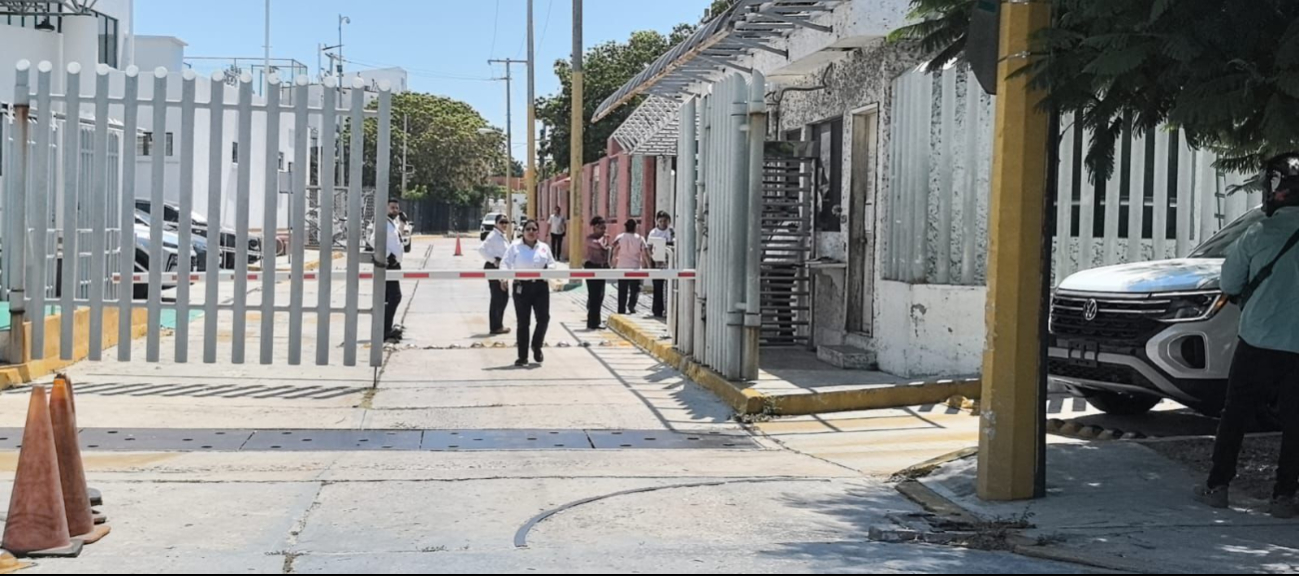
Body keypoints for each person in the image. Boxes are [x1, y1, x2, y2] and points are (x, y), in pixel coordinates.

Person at [1195, 153, 1299, 520]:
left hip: (1257, 341)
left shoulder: (1258, 233)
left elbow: (1230, 283)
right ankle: (1285, 497)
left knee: (1235, 414)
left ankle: (1217, 486)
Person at [502, 219, 555, 367]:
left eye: (534, 229)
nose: (531, 232)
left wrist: (548, 272)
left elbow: (551, 263)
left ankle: (536, 346)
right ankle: (522, 356)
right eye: (528, 229)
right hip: (522, 288)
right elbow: (505, 263)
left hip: (540, 287)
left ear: (538, 231)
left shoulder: (544, 247)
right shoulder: (514, 247)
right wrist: (504, 278)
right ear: (523, 231)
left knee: (544, 318)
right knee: (523, 323)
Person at [477, 214, 513, 335]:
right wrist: (494, 261)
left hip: (502, 268)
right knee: (497, 298)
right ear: (496, 223)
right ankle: (495, 326)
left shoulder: (501, 236)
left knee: (503, 298)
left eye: (506, 222)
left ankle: (499, 324)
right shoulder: (493, 236)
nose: (504, 224)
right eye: (502, 222)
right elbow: (481, 249)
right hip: (494, 267)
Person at [612, 219, 651, 315]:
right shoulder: (640, 239)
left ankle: (621, 309)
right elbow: (645, 253)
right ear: (635, 227)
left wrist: (613, 263)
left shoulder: (620, 237)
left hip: (622, 267)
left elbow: (614, 251)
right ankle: (631, 305)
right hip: (635, 268)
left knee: (622, 289)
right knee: (635, 289)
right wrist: (649, 267)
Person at [381, 199, 405, 343]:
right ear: (386, 208)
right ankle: (385, 329)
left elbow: (399, 241)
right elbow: (374, 240)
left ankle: (384, 328)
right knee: (395, 297)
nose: (395, 210)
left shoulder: (392, 223)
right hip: (388, 264)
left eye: (397, 208)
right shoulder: (383, 223)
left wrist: (403, 223)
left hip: (394, 264)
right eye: (392, 207)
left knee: (387, 298)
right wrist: (388, 255)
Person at [584, 216, 610, 330]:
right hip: (592, 266)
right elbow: (600, 246)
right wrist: (604, 240)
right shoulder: (590, 239)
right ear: (594, 228)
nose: (603, 230)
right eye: (601, 228)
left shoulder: (603, 238)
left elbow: (607, 250)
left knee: (600, 295)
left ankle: (596, 321)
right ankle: (592, 322)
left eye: (604, 228)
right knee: (594, 295)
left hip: (602, 267)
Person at [647, 211, 675, 318]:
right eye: (661, 221)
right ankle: (657, 310)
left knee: (670, 288)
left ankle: (669, 310)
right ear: (657, 221)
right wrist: (652, 259)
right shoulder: (653, 233)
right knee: (658, 288)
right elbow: (648, 248)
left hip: (670, 263)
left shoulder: (672, 232)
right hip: (657, 264)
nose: (663, 223)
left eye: (665, 221)